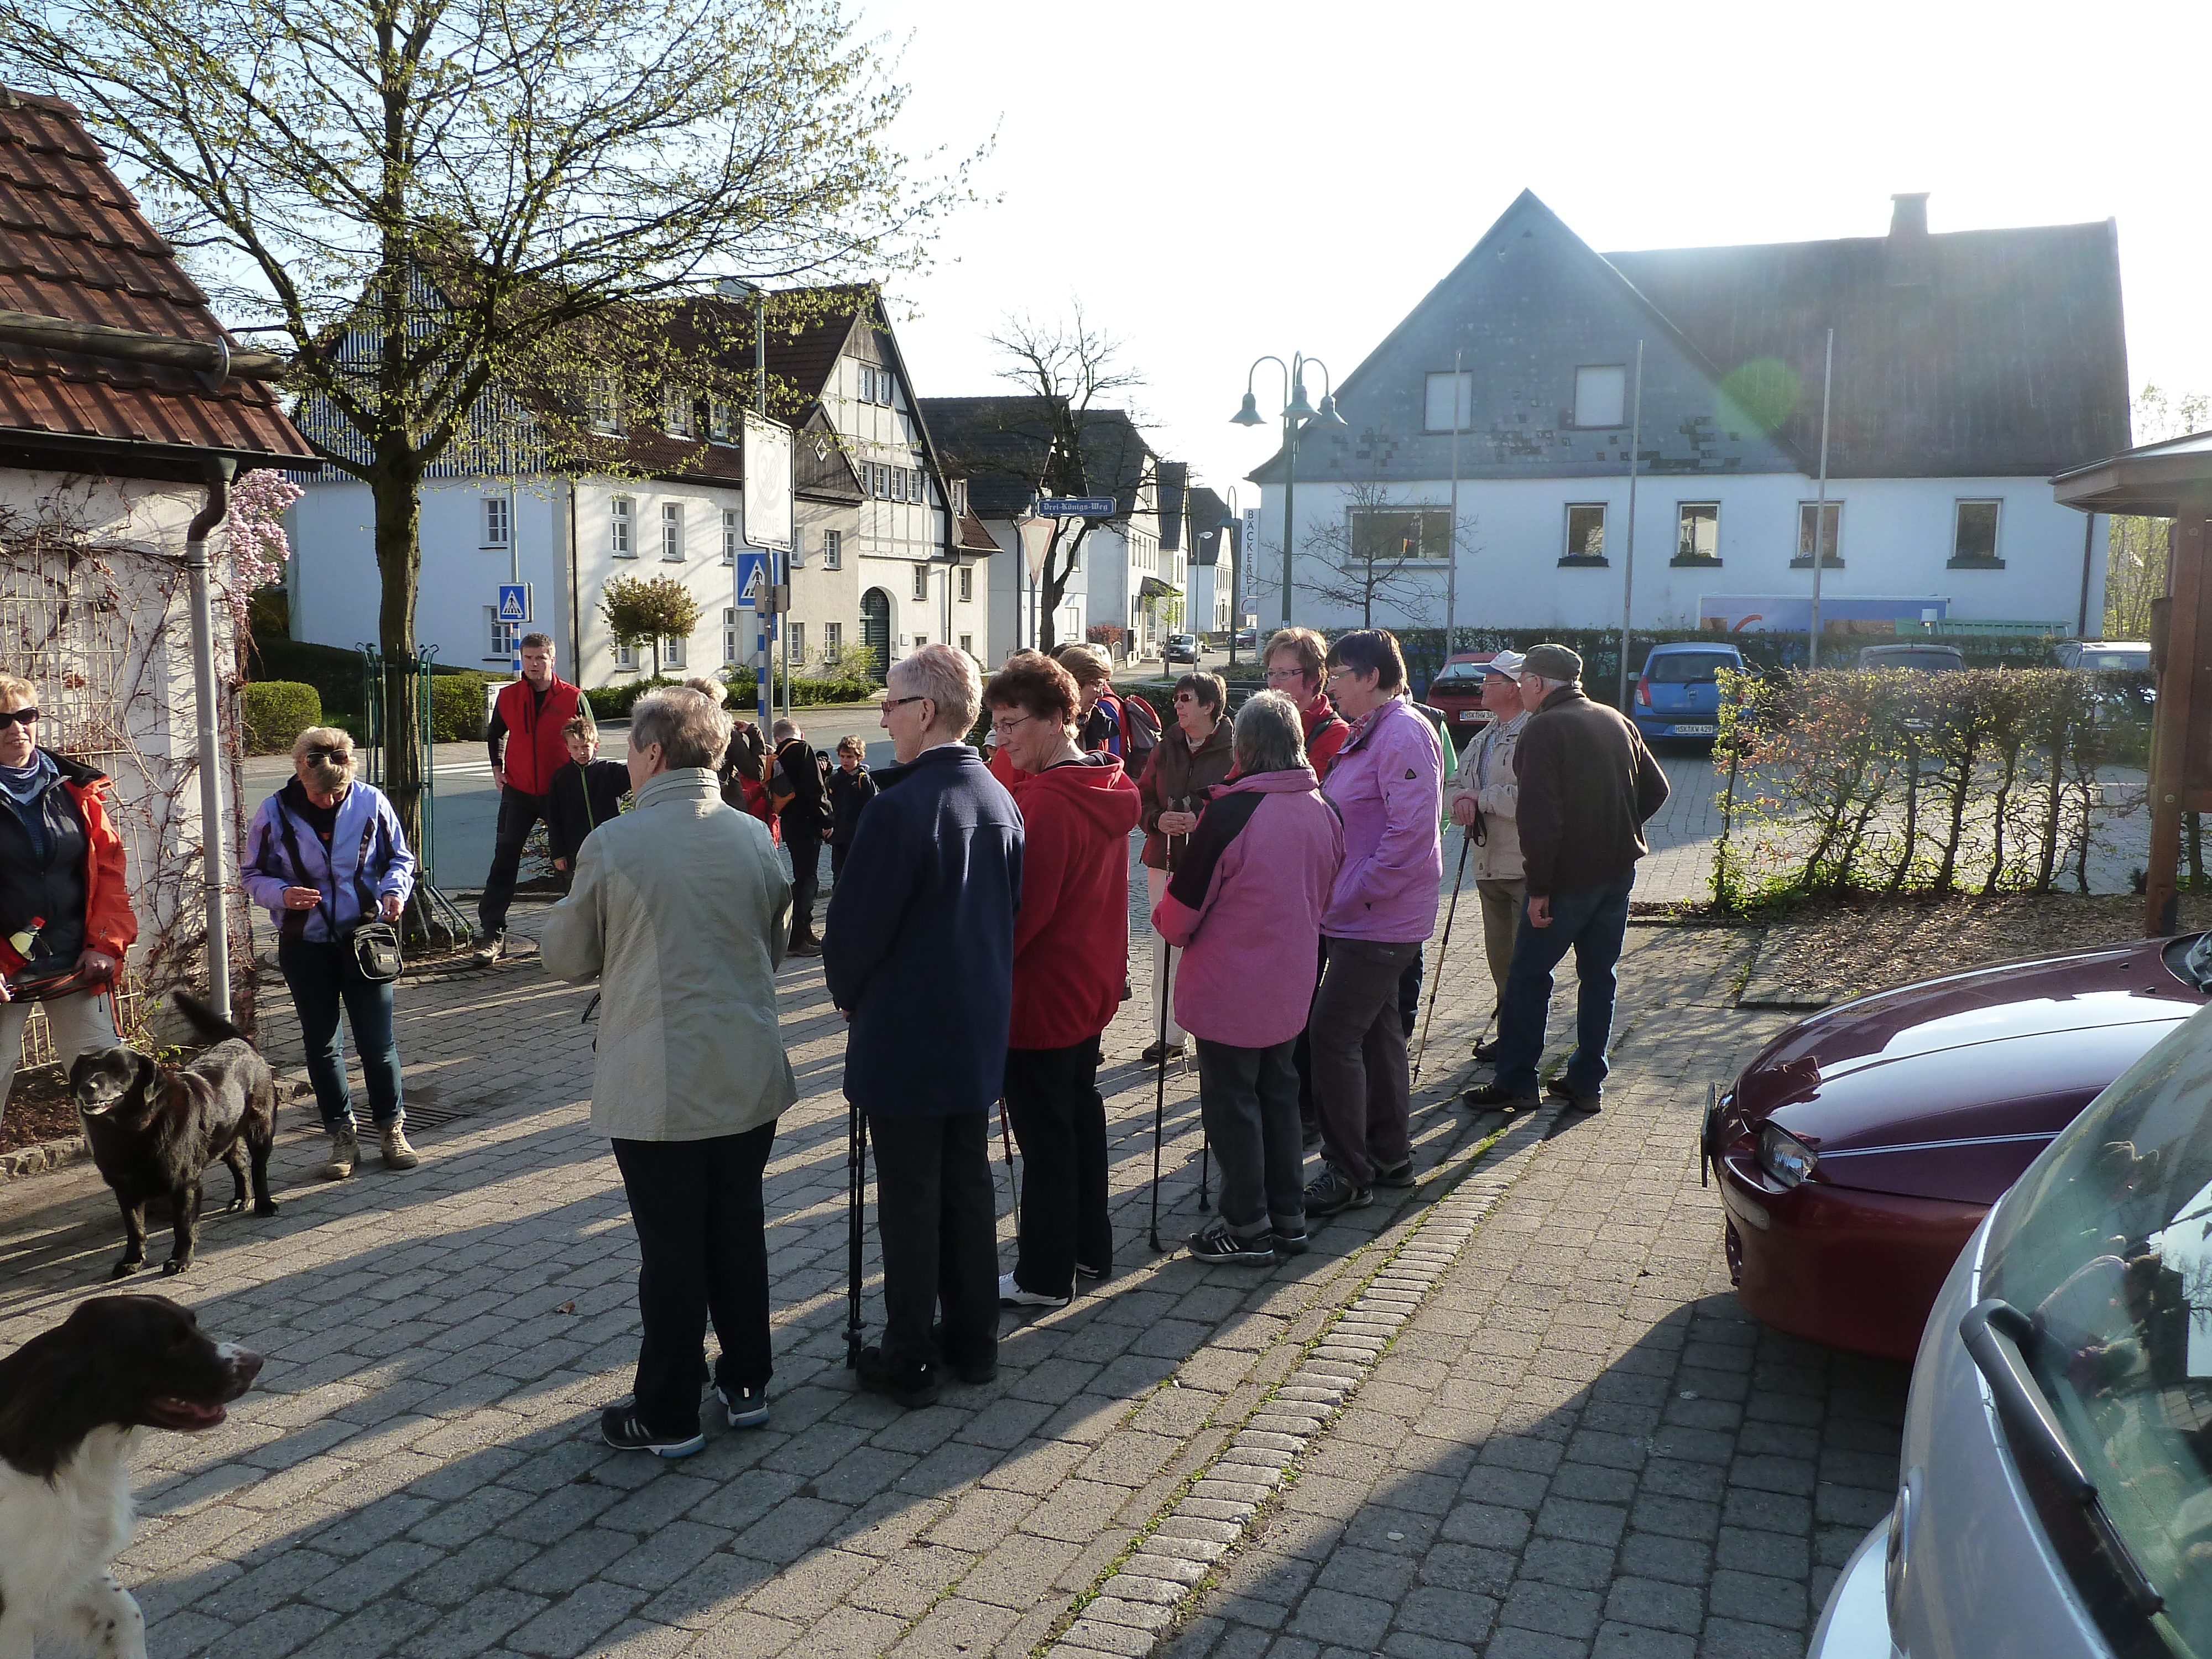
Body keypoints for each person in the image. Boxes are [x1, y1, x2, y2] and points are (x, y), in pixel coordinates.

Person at [540, 688, 796, 1456]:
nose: (625, 762)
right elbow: (774, 947)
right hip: (747, 1069)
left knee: (673, 1247)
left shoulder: (617, 842)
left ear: (652, 755)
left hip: (658, 1082)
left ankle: (670, 1411)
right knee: (739, 1226)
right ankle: (747, 1381)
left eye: (629, 749)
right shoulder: (756, 837)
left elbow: (568, 956)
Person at [823, 644, 1021, 1408]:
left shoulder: (900, 806)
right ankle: (974, 1342)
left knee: (910, 1195)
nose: (883, 718)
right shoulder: (998, 798)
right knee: (966, 1186)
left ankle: (909, 1353)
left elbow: (855, 930)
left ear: (926, 711)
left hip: (908, 1032)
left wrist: (847, 991)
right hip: (973, 1025)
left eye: (891, 703)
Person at [1153, 691, 1343, 1264]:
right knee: (1279, 1095)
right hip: (1290, 980)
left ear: (1243, 747)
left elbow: (1178, 917)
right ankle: (1285, 1216)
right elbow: (1328, 894)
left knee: (1233, 1103)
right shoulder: (1324, 808)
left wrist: (1164, 919)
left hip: (1229, 986)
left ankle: (1248, 1224)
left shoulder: (1233, 813)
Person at [986, 651, 1141, 1308]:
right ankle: (1088, 1247)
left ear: (1055, 720)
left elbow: (1022, 916)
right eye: (993, 726)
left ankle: (1045, 1275)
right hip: (1088, 983)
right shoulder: (1101, 781)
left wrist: (974, 971)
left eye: (1011, 723)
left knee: (1046, 1137)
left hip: (1042, 995)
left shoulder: (1048, 803)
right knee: (1077, 1118)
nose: (1001, 739)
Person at [1466, 644, 1670, 1115]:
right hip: (1617, 873)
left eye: (1522, 683)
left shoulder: (1542, 730)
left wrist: (1539, 890)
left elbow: (1541, 820)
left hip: (1564, 881)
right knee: (1600, 977)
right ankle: (1586, 1081)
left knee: (1527, 977)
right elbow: (1658, 789)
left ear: (1536, 683)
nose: (1520, 690)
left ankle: (1516, 1081)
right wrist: (1619, 829)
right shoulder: (1615, 719)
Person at [1303, 630, 1442, 1218]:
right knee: (1379, 1032)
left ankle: (1347, 1170)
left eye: (1337, 674)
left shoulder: (1402, 732)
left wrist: (1354, 896)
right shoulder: (1376, 730)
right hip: (1366, 915)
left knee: (1330, 1034)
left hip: (1376, 918)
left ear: (1369, 677)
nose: (1329, 684)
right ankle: (1388, 1156)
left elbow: (1410, 835)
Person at [242, 727, 420, 1179]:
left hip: (366, 941)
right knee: (322, 1048)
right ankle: (342, 1136)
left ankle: (392, 1129)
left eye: (338, 791)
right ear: (300, 772)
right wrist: (282, 895)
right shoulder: (274, 813)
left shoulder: (371, 802)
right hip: (306, 945)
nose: (330, 800)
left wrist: (394, 894)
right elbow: (252, 874)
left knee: (378, 1045)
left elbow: (400, 858)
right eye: (322, 794)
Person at [0, 674, 136, 1126]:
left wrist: (105, 943)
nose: (17, 728)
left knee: (109, 1082)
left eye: (25, 716)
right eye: (2, 720)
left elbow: (110, 871)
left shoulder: (76, 787)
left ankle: (134, 1185)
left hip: (76, 961)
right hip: (5, 968)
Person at [1265, 627, 1352, 1145]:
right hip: (1270, 883)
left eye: (1286, 673)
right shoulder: (1265, 726)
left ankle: (1306, 1105)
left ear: (1316, 678)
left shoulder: (1332, 734)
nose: (1275, 682)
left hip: (1317, 888)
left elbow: (1307, 799)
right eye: (1271, 672)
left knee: (1308, 997)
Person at [1134, 671, 1234, 1064]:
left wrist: (1204, 820)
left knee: (1214, 948)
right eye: (1175, 698)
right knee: (1165, 948)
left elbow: (1243, 801)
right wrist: (1157, 820)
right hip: (1165, 860)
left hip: (1214, 865)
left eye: (1186, 698)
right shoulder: (1166, 745)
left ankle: (1216, 1033)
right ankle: (1169, 1035)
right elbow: (1140, 795)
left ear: (1209, 705)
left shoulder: (1236, 747)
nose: (1177, 705)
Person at [478, 633, 591, 963]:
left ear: (552, 659)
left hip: (560, 792)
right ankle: (492, 935)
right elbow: (495, 732)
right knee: (504, 860)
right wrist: (497, 767)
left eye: (541, 658)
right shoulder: (509, 697)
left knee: (571, 862)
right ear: (522, 660)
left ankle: (578, 939)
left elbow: (589, 739)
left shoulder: (573, 697)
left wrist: (582, 773)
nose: (534, 664)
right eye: (528, 658)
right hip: (519, 791)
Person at [1444, 652, 1529, 1061]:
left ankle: (1522, 1046)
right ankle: (1510, 1037)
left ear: (1514, 687)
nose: (1481, 688)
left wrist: (1483, 799)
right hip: (1487, 863)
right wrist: (1459, 800)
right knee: (1501, 962)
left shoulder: (1535, 733)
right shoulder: (1485, 735)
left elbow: (1536, 799)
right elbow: (1454, 784)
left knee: (1525, 965)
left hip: (1525, 866)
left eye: (1490, 682)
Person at [771, 718, 830, 956]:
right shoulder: (801, 749)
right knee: (808, 880)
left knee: (802, 878)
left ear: (777, 738)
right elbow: (814, 788)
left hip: (791, 824)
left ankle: (802, 933)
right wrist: (827, 819)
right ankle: (799, 938)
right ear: (801, 735)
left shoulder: (779, 754)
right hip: (807, 824)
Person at [546, 716, 630, 884]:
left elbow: (639, 771)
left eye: (586, 747)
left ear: (596, 746)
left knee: (611, 891)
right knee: (578, 894)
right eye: (575, 748)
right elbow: (554, 819)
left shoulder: (610, 772)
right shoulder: (561, 778)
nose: (581, 752)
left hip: (609, 846)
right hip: (575, 849)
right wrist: (558, 854)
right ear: (567, 748)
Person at [826, 734, 877, 883]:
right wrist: (827, 824)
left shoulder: (863, 779)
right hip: (838, 837)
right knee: (839, 876)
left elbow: (873, 807)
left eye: (849, 757)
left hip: (857, 837)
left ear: (858, 757)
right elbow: (828, 805)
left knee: (858, 875)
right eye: (842, 757)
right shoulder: (835, 780)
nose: (845, 761)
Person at [722, 719, 780, 846]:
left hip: (765, 830)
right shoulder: (743, 775)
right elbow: (757, 772)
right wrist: (755, 733)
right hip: (746, 829)